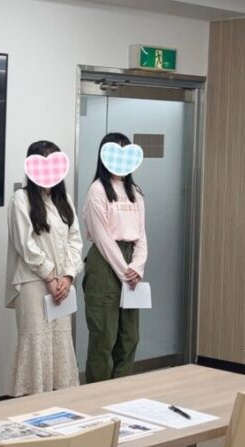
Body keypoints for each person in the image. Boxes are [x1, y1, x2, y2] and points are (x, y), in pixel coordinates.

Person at [6, 140, 83, 397]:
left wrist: (68, 276)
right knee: (36, 341)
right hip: (32, 282)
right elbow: (25, 245)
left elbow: (75, 240)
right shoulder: (21, 199)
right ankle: (33, 400)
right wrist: (50, 276)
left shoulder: (64, 200)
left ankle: (61, 399)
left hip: (62, 283)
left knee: (61, 339)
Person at [82, 132, 147, 383]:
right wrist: (124, 271)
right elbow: (102, 237)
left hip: (130, 262)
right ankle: (99, 396)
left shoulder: (135, 191)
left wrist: (137, 266)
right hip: (105, 262)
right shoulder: (97, 190)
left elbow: (141, 233)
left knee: (130, 336)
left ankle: (121, 391)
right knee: (104, 337)